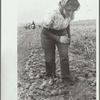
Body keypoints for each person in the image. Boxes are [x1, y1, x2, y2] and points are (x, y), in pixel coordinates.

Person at [41, 0, 80, 83]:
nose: (70, 13)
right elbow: (44, 31)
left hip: (62, 31)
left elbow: (67, 24)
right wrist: (58, 38)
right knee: (49, 57)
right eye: (68, 10)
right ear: (63, 7)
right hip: (48, 34)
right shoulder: (52, 13)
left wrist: (69, 37)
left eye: (73, 11)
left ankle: (66, 78)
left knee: (64, 55)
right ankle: (51, 76)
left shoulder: (71, 13)